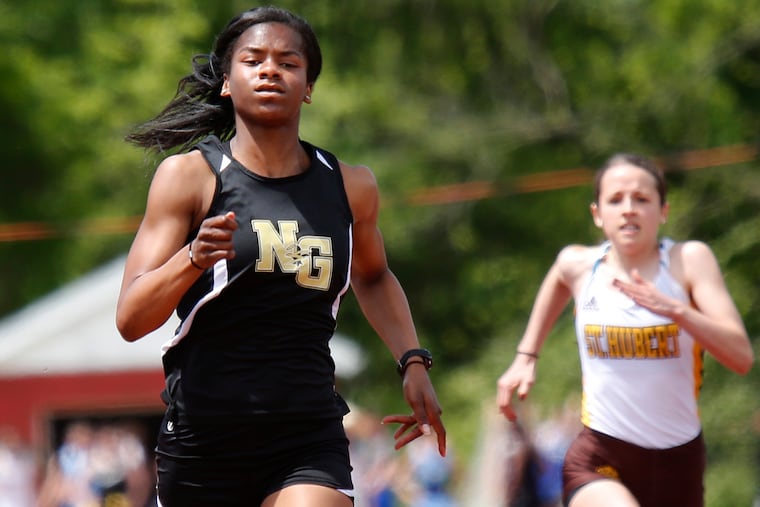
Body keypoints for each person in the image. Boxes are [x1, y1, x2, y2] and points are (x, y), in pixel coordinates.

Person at [115, 6, 445, 507]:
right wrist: (192, 259)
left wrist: (412, 362)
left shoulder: (350, 185)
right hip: (204, 439)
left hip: (306, 433)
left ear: (308, 86)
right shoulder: (190, 178)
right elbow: (131, 318)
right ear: (227, 82)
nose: (271, 70)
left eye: (289, 63)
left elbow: (373, 277)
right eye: (254, 60)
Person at [496, 153, 753, 507]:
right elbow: (559, 273)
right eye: (615, 200)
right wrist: (527, 355)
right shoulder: (580, 265)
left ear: (663, 210)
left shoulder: (688, 261)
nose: (628, 208)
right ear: (598, 214)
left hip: (678, 461)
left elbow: (741, 357)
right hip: (601, 456)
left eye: (642, 199)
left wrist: (677, 311)